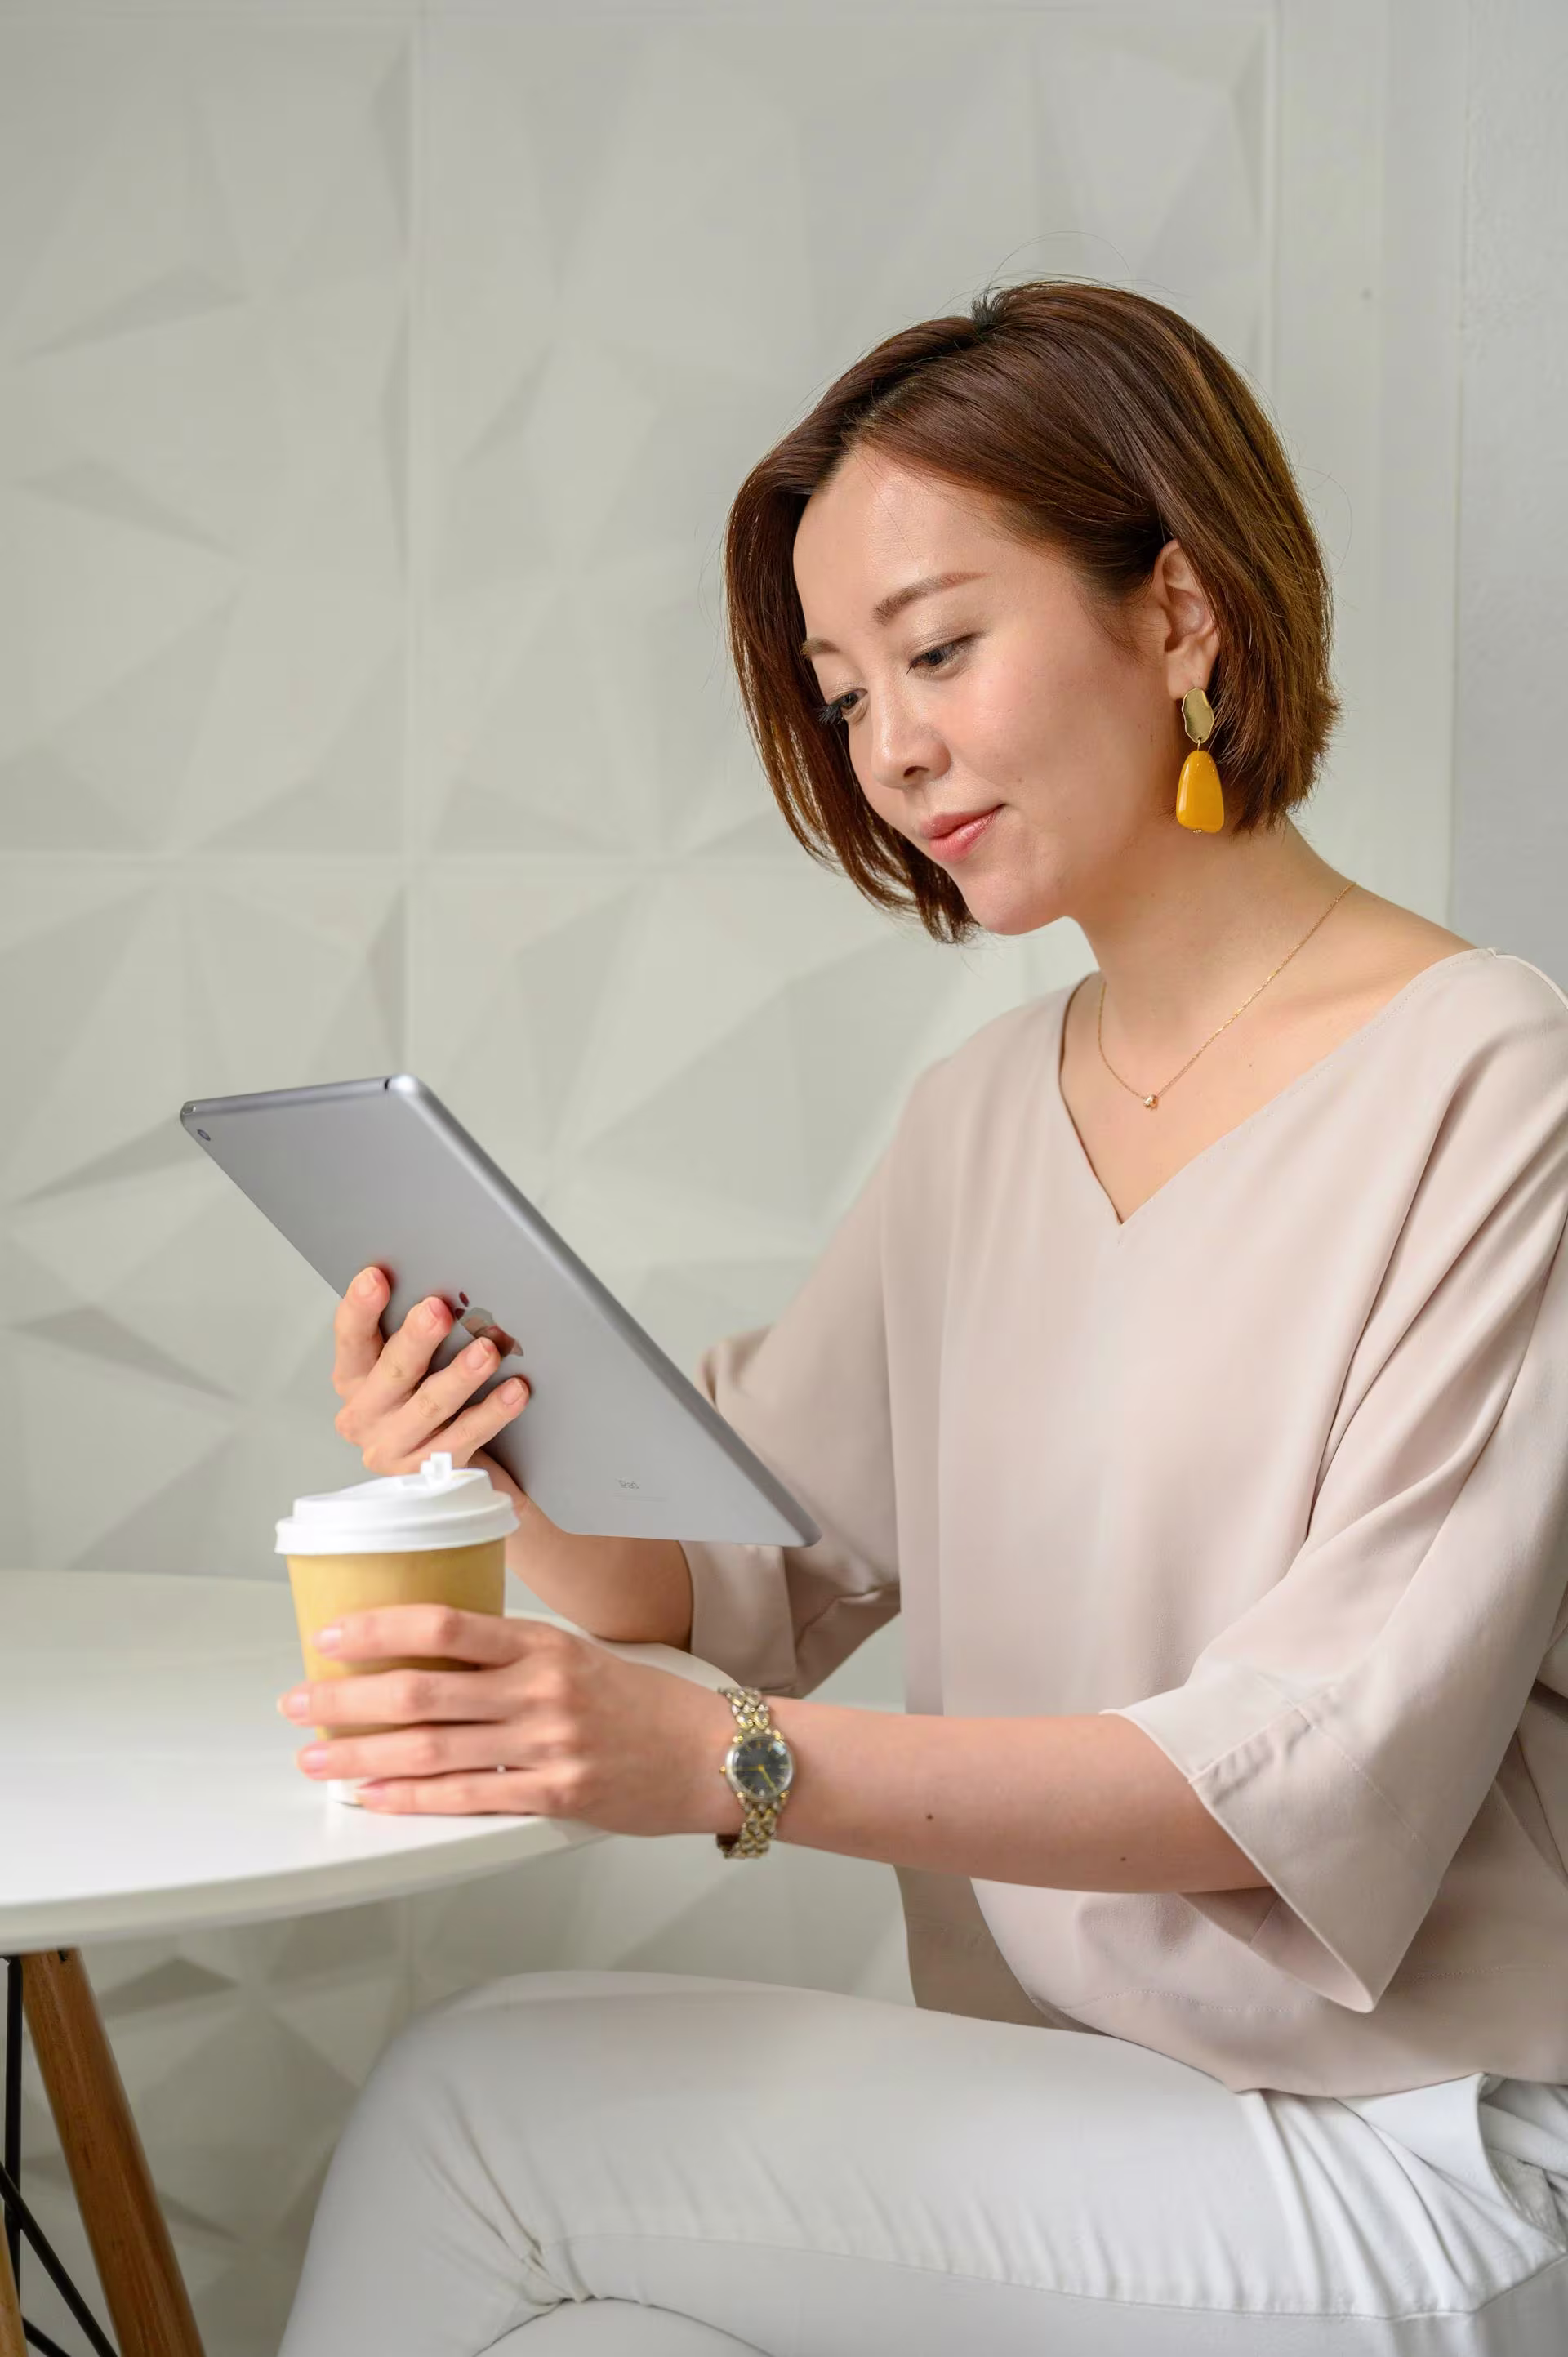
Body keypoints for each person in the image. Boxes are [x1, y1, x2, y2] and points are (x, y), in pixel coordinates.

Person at [277, 280, 1568, 2355]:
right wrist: (492, 1437)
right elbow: (722, 1578)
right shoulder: (983, 1116)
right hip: (1084, 2110)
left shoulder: (1494, 1085)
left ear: (1180, 613)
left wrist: (730, 1765)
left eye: (941, 649)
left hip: (1411, 2146)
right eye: (843, 689)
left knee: (472, 2112)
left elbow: (1301, 1768)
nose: (889, 749)